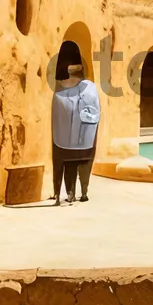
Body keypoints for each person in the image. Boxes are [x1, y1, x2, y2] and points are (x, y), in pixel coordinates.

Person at [51, 61, 101, 204]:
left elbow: (57, 115)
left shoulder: (59, 90)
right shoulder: (92, 88)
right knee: (85, 164)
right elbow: (96, 111)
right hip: (87, 137)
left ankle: (70, 194)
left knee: (69, 165)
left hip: (63, 140)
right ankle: (84, 192)